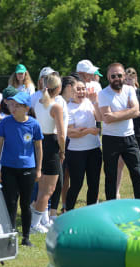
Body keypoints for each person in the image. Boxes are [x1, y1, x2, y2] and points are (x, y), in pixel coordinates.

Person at [0, 92, 43, 246]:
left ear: (26, 108)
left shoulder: (34, 124)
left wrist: (39, 169)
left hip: (27, 168)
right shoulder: (5, 122)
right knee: (11, 202)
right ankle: (11, 235)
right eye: (11, 105)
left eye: (17, 105)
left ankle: (26, 237)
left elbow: (39, 147)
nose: (13, 108)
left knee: (26, 203)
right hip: (8, 168)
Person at [98, 62, 140, 200]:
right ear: (108, 77)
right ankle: (112, 207)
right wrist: (129, 112)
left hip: (129, 137)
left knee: (137, 174)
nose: (116, 78)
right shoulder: (103, 93)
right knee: (110, 176)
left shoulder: (130, 90)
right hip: (110, 139)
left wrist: (116, 114)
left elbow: (136, 111)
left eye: (119, 75)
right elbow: (107, 118)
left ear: (124, 76)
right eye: (113, 76)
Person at [31, 73, 65, 232]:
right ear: (58, 88)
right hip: (51, 145)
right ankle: (34, 224)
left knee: (43, 186)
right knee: (48, 189)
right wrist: (63, 150)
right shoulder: (56, 106)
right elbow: (61, 134)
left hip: (40, 143)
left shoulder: (39, 102)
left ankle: (40, 220)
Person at [65, 79, 102, 210]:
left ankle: (90, 212)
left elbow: (99, 119)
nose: (81, 92)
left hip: (94, 150)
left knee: (94, 184)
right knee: (76, 184)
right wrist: (89, 131)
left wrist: (95, 103)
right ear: (71, 90)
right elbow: (71, 133)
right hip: (76, 152)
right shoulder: (68, 108)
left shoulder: (89, 103)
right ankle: (68, 210)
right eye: (78, 89)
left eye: (83, 89)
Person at [116, 67, 140, 198]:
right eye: (126, 79)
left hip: (137, 130)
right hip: (123, 130)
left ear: (135, 79)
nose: (128, 81)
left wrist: (134, 112)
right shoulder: (121, 92)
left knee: (138, 161)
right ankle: (116, 191)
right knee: (119, 162)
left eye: (130, 79)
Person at [60, 76, 77, 212]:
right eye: (76, 88)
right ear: (69, 87)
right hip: (59, 143)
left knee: (64, 176)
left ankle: (61, 207)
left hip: (66, 142)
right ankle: (46, 211)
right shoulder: (60, 102)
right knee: (57, 178)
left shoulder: (66, 102)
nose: (77, 91)